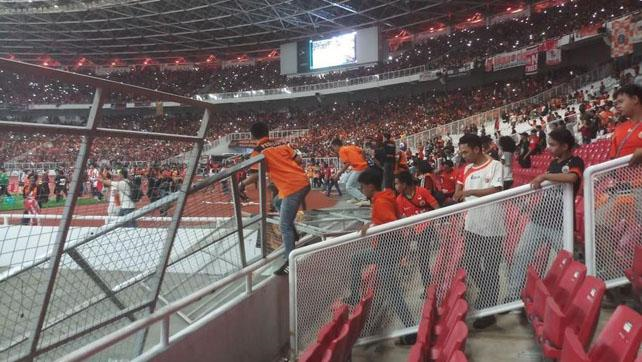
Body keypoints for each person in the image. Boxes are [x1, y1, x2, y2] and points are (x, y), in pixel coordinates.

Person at [506, 128, 584, 301]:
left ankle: (579, 294)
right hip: (539, 219)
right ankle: (512, 295)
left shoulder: (576, 161)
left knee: (569, 259)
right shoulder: (554, 162)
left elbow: (572, 178)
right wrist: (546, 175)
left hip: (560, 223)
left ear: (565, 146)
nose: (549, 148)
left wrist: (544, 176)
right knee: (521, 255)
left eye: (553, 144)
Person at [344, 166, 417, 345]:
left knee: (394, 294)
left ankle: (411, 331)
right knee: (356, 259)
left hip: (388, 250)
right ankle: (354, 295)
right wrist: (372, 224)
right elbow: (384, 220)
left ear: (370, 186)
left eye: (362, 186)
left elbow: (391, 223)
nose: (361, 190)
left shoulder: (381, 201)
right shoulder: (382, 197)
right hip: (386, 249)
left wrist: (372, 227)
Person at [240, 122, 310, 275]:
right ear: (268, 132)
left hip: (292, 188)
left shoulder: (258, 152)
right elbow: (299, 160)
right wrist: (284, 167)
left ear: (252, 136)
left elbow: (254, 174)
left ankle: (290, 262)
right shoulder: (282, 145)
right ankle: (293, 231)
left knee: (284, 225)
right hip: (302, 182)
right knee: (277, 201)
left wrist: (242, 184)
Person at [453, 133, 505, 329]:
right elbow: (457, 193)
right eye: (461, 152)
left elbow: (496, 190)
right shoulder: (465, 169)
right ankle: (487, 294)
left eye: (466, 151)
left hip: (492, 225)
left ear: (477, 149)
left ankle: (489, 312)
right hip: (472, 225)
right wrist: (460, 193)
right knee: (471, 262)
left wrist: (469, 192)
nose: (463, 155)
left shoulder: (495, 166)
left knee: (492, 269)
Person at [395, 170, 440, 290]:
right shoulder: (399, 200)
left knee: (422, 261)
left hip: (428, 227)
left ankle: (428, 288)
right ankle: (428, 287)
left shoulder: (422, 191)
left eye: (397, 184)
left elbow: (436, 207)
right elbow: (402, 220)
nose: (396, 187)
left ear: (404, 184)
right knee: (422, 261)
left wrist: (435, 222)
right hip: (415, 231)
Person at [331, 139, 370, 207]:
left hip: (359, 168)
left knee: (349, 186)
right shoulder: (350, 147)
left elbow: (347, 164)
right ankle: (356, 198)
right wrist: (363, 160)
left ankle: (364, 199)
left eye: (333, 148)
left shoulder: (341, 151)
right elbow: (362, 151)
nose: (333, 150)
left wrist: (338, 174)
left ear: (336, 146)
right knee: (352, 183)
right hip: (360, 167)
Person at [611, 84, 642, 166]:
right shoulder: (618, 129)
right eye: (616, 103)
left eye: (620, 101)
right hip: (625, 178)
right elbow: (613, 160)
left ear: (635, 99)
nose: (617, 106)